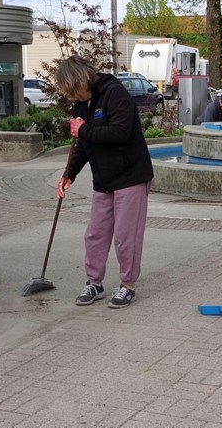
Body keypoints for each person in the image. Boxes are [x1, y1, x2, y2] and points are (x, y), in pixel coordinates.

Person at [55, 56, 154, 309]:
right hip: (103, 179)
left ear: (81, 80)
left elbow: (120, 132)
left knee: (125, 236)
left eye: (72, 91)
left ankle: (127, 285)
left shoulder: (115, 93)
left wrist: (83, 130)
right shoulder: (81, 104)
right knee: (95, 234)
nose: (72, 98)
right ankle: (94, 282)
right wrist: (69, 174)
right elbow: (81, 146)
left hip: (130, 175)